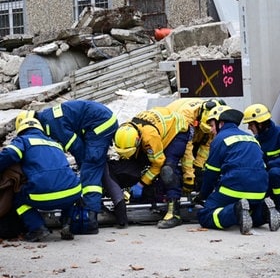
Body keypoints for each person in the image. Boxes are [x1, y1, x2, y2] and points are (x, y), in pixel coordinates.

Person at [16, 99, 125, 231]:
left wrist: (83, 166)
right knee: (91, 166)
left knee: (90, 166)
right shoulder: (49, 118)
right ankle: (96, 206)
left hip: (100, 124)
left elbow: (76, 147)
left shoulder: (51, 125)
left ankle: (90, 218)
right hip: (98, 122)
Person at [197, 105, 280, 234]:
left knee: (206, 214)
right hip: (259, 189)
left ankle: (235, 210)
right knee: (248, 211)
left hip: (234, 188)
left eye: (212, 126)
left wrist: (203, 195)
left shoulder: (220, 139)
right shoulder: (251, 138)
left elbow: (211, 174)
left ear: (221, 123)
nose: (211, 130)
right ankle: (263, 213)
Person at [0, 117, 82, 242]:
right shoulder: (55, 143)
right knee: (69, 191)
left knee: (19, 200)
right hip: (72, 192)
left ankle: (37, 228)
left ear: (21, 130)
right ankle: (67, 224)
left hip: (41, 195)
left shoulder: (23, 140)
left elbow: (11, 154)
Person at [113, 106, 190, 229]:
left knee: (168, 169)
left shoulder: (149, 137)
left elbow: (158, 163)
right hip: (159, 128)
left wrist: (141, 184)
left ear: (138, 141)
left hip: (177, 130)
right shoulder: (125, 132)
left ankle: (174, 212)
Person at [165, 98, 226, 193]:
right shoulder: (186, 116)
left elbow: (207, 146)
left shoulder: (213, 117)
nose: (210, 130)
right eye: (208, 125)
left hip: (195, 131)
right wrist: (189, 177)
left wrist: (198, 168)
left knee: (199, 171)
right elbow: (186, 149)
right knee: (174, 161)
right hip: (171, 132)